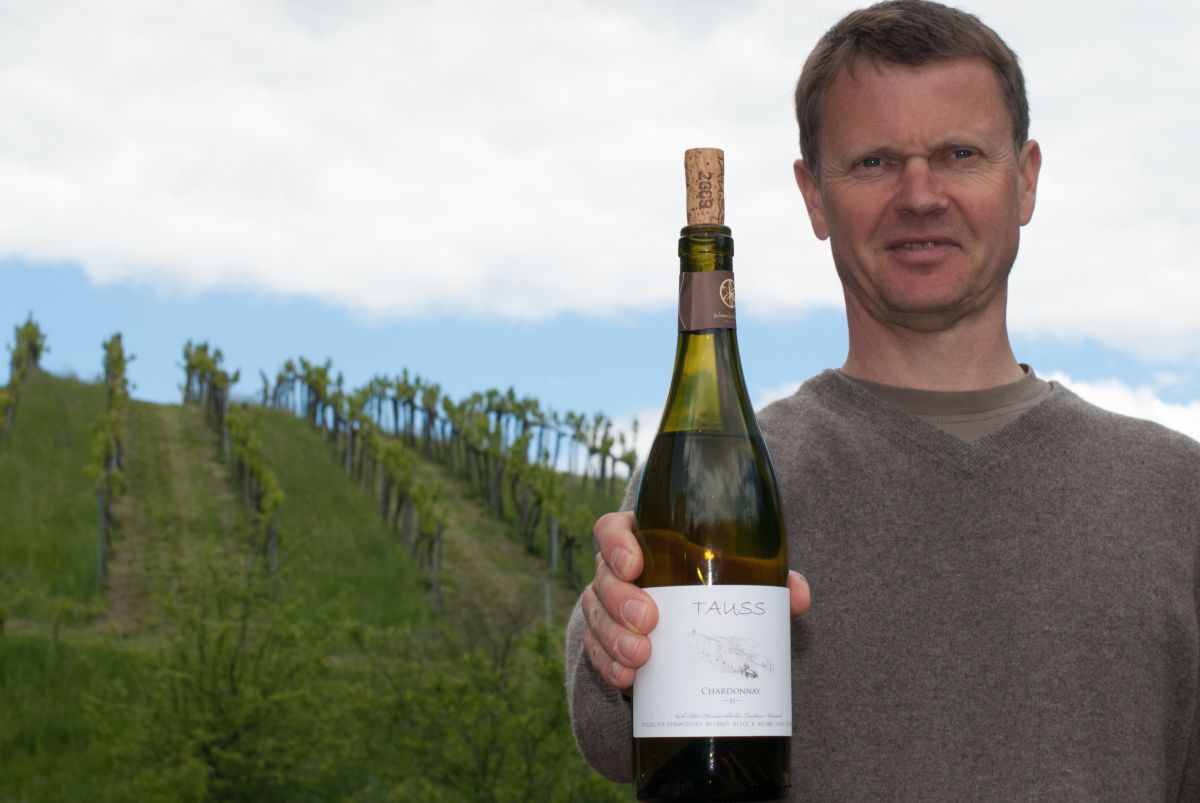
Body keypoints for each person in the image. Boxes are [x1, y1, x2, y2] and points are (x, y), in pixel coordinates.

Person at [565, 0, 1200, 799]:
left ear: (1026, 180)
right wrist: (614, 640)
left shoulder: (1176, 493)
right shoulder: (724, 477)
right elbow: (610, 738)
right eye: (873, 162)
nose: (920, 195)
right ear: (814, 197)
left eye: (960, 154)